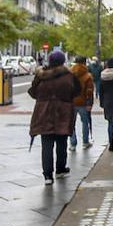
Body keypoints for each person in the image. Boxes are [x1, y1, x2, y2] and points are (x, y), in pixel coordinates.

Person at [29, 50, 81, 185]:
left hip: (44, 113)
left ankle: (47, 175)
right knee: (61, 142)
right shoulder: (69, 76)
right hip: (62, 112)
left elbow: (33, 92)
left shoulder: (41, 76)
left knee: (46, 145)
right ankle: (60, 169)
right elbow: (77, 91)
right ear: (63, 61)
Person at [69, 55, 95, 150]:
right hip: (83, 103)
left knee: (71, 124)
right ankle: (85, 142)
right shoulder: (87, 75)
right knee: (85, 122)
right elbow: (89, 91)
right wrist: (89, 103)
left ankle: (73, 143)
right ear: (85, 63)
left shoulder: (70, 74)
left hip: (71, 103)